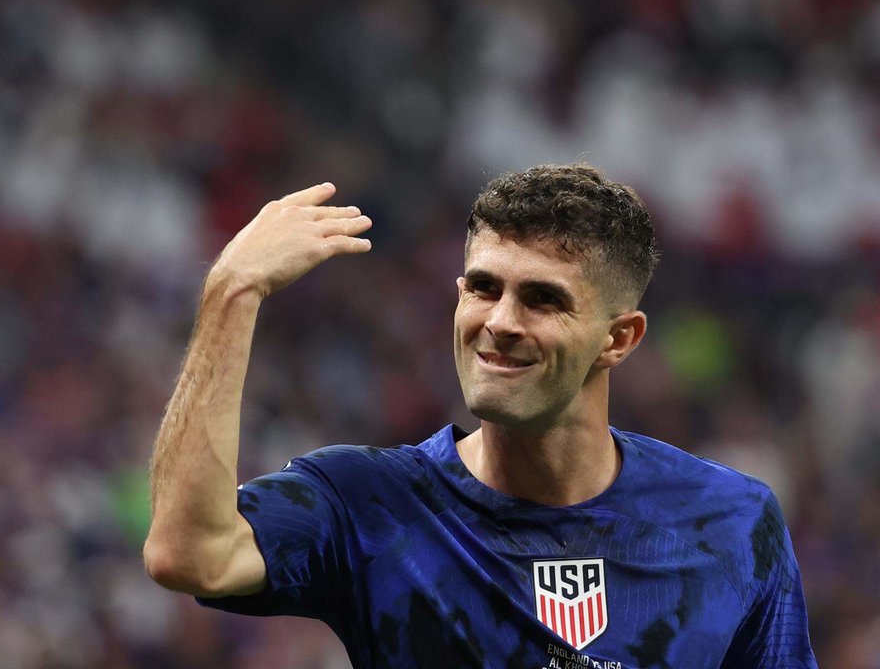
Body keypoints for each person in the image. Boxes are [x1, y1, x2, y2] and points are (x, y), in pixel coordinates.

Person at [144, 163, 817, 668]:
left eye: (542, 300)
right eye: (484, 288)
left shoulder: (730, 522)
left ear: (618, 339)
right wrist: (232, 292)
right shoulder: (371, 506)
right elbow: (189, 555)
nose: (499, 323)